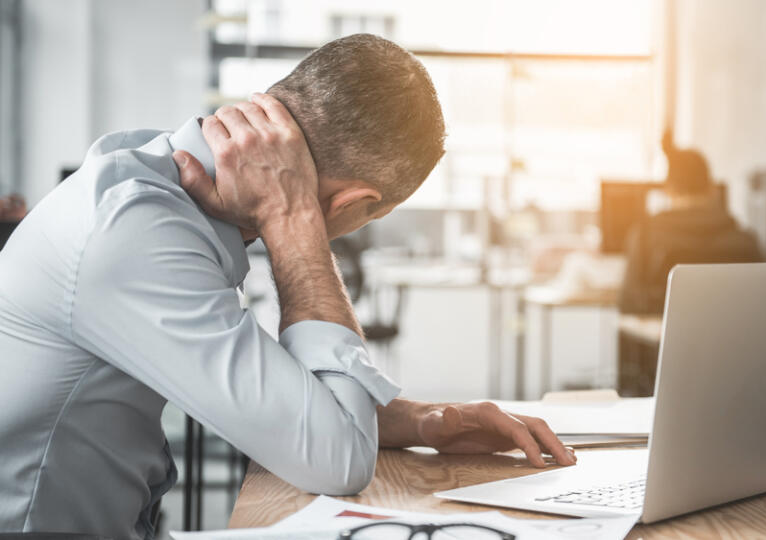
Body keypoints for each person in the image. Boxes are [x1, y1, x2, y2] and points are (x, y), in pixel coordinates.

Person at [0, 34, 574, 540]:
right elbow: (335, 461)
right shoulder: (137, 231)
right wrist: (295, 224)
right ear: (354, 204)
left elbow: (275, 393)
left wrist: (427, 421)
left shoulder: (154, 183)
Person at [619, 128, 765, 315]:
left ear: (668, 189)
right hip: (734, 343)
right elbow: (762, 304)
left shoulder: (645, 239)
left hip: (664, 343)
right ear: (711, 188)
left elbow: (628, 305)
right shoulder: (746, 242)